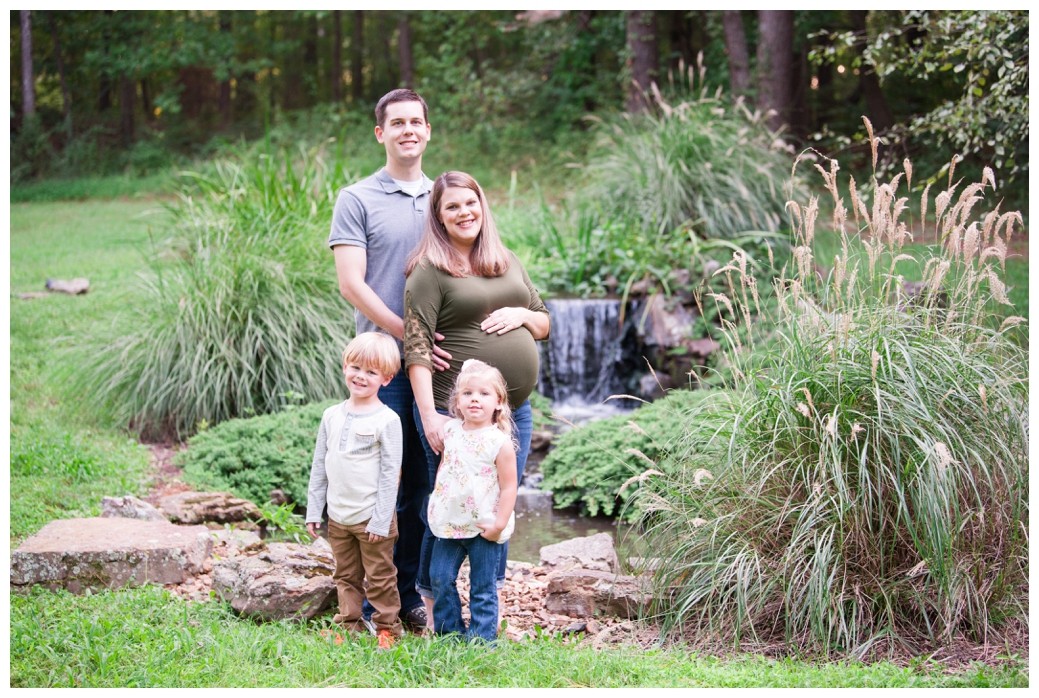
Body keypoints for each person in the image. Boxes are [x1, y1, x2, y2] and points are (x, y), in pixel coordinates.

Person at [404, 170, 551, 629]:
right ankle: (434, 609)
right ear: (439, 217)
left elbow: (544, 322)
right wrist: (429, 416)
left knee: (500, 501)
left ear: (482, 205)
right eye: (452, 207)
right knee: (442, 506)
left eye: (470, 203)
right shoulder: (429, 270)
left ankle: (489, 609)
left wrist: (521, 312)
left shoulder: (504, 259)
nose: (464, 212)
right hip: (454, 416)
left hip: (510, 414)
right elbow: (417, 346)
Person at [328, 88, 451, 633]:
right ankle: (393, 597)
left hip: (446, 365)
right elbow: (352, 285)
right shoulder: (356, 198)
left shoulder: (445, 196)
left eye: (416, 122)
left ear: (428, 131)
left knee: (434, 479)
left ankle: (425, 588)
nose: (408, 130)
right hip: (388, 367)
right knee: (394, 482)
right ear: (381, 133)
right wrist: (410, 335)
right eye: (396, 122)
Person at [304, 332, 405, 650]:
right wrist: (313, 509)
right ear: (345, 366)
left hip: (372, 518)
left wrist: (380, 519)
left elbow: (392, 475)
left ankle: (388, 627)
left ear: (386, 379)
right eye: (356, 367)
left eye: (372, 372)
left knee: (379, 577)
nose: (361, 376)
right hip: (339, 516)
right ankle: (349, 625)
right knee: (345, 575)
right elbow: (320, 465)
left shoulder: (387, 420)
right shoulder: (331, 415)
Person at [427, 359, 518, 643]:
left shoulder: (499, 441)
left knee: (483, 585)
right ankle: (449, 634)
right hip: (450, 521)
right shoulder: (451, 431)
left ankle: (480, 640)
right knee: (440, 577)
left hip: (484, 525)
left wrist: (500, 523)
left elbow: (509, 486)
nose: (475, 399)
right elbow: (447, 468)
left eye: (483, 393)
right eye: (467, 393)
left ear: (499, 402)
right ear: (457, 401)